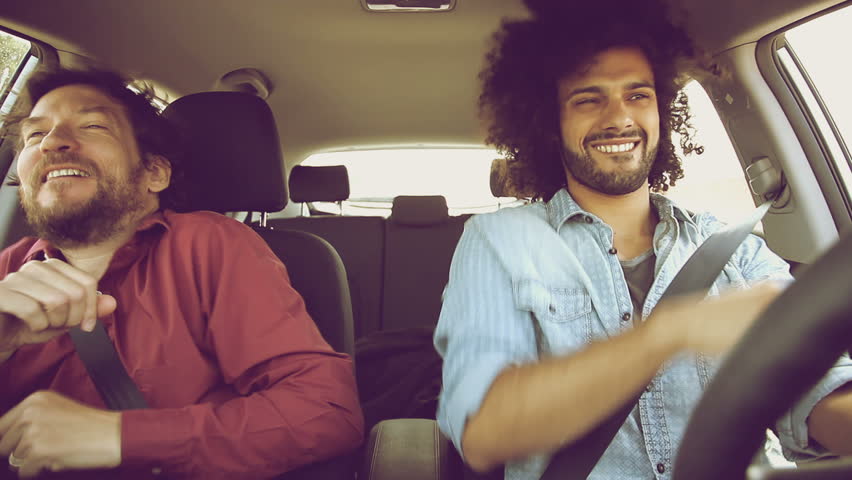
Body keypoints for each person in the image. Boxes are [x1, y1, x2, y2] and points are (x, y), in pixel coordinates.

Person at [435, 1, 852, 478]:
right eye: (588, 99)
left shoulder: (736, 248)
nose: (620, 118)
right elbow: (484, 428)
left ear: (662, 110)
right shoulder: (498, 242)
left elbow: (818, 392)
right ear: (551, 124)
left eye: (638, 95)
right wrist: (668, 333)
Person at [0, 68, 364, 479]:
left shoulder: (212, 246)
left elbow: (326, 411)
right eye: (34, 135)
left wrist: (122, 437)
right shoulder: (6, 270)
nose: (52, 142)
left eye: (92, 125)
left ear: (155, 173)